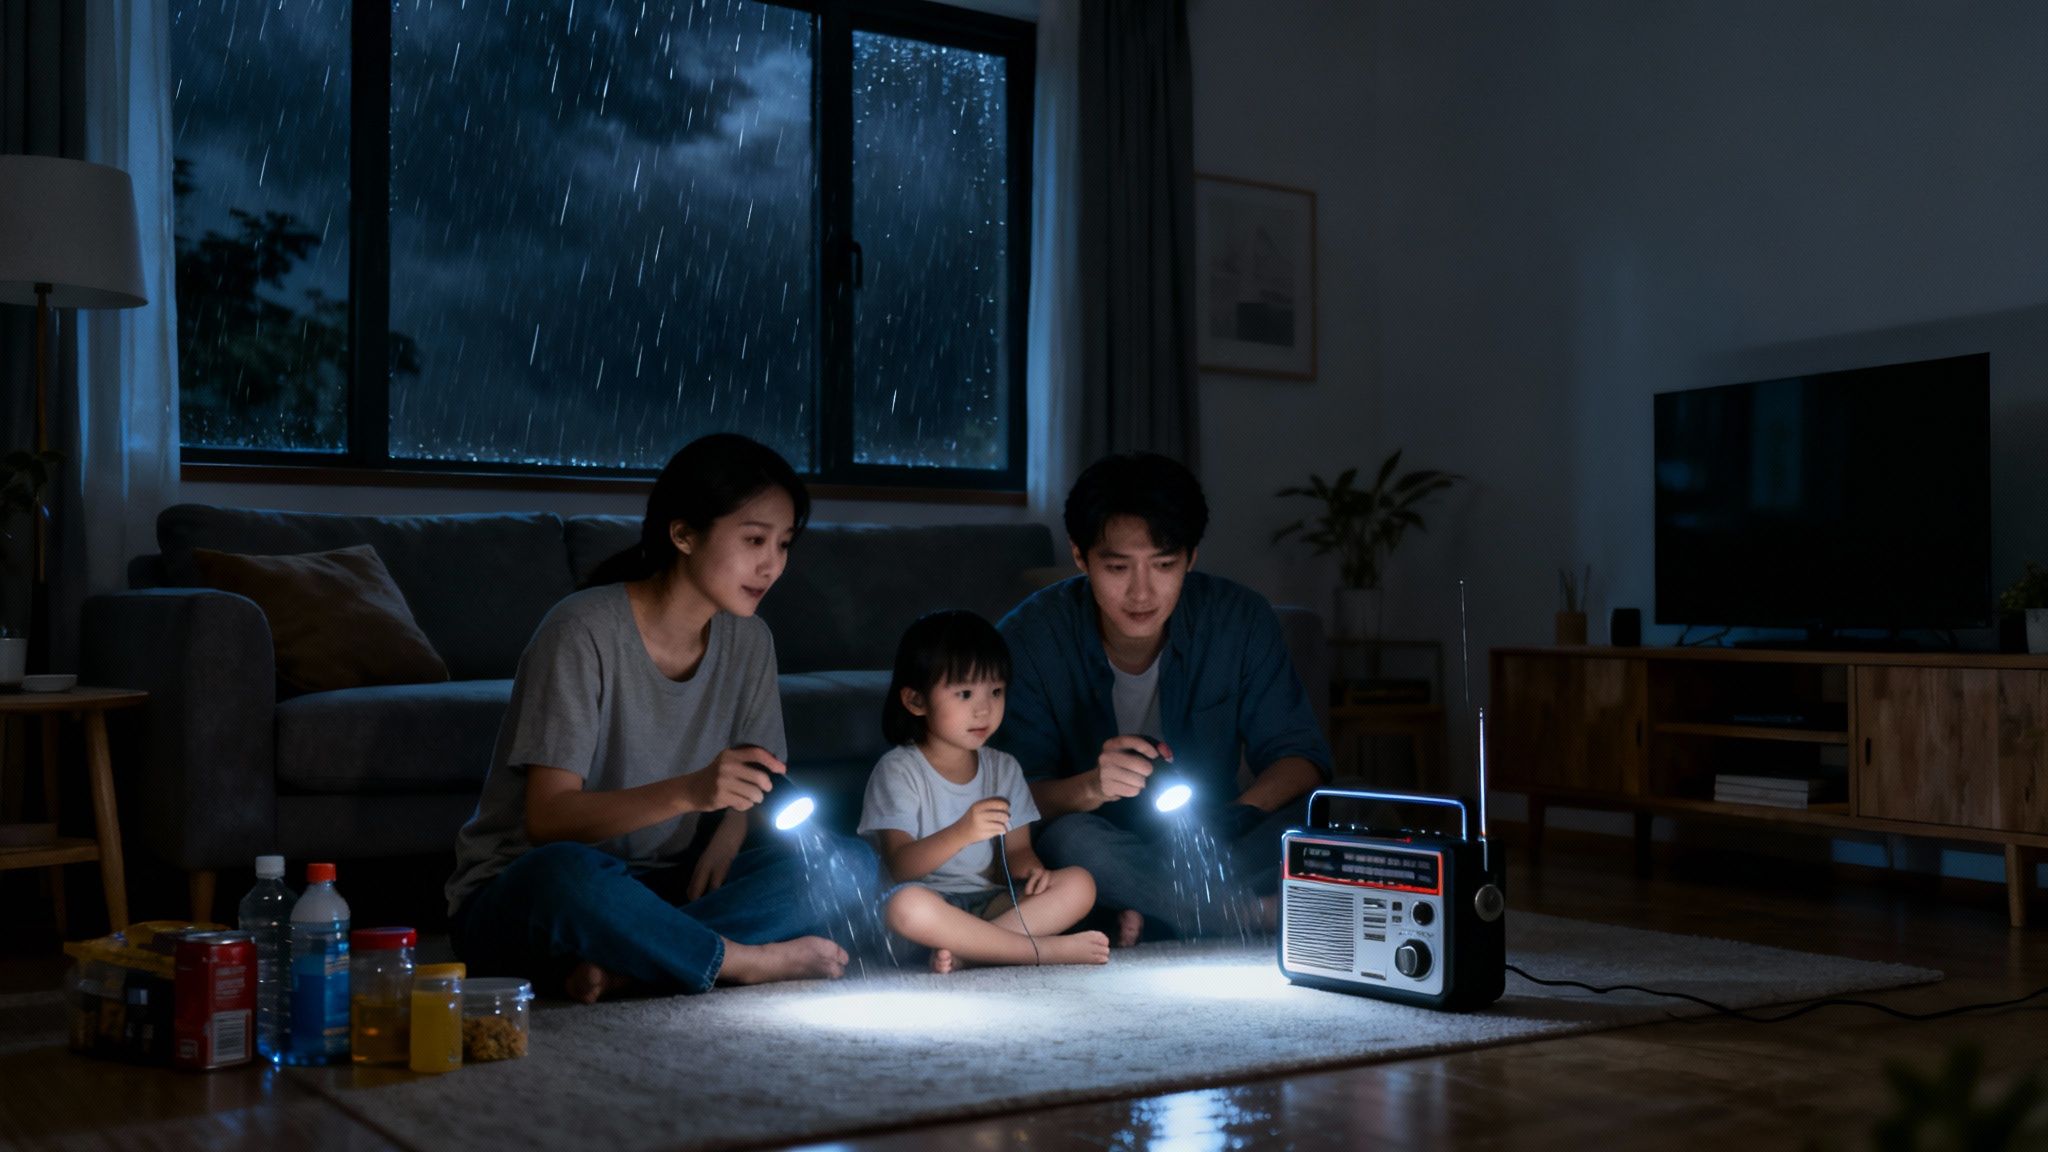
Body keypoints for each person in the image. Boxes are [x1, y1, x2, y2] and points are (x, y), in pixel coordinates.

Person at [445, 433, 875, 1002]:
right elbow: (548, 820)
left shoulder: (749, 640)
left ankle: (633, 966)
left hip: (660, 891)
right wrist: (691, 792)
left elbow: (758, 777)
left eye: (784, 543)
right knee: (565, 874)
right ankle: (737, 960)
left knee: (853, 863)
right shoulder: (581, 631)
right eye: (753, 540)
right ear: (683, 534)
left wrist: (728, 834)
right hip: (530, 890)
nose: (771, 565)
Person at [995, 451, 1333, 943]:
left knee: (1338, 817)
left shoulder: (1238, 620)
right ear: (1079, 557)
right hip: (1099, 838)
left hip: (1215, 833)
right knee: (1074, 844)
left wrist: (1239, 812)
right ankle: (1239, 914)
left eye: (1164, 565)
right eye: (1116, 567)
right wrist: (1092, 786)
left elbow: (1301, 756)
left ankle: (1154, 910)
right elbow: (1009, 798)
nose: (1141, 593)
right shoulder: (1029, 639)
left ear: (1191, 558)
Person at [859, 610, 1109, 973]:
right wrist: (962, 832)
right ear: (916, 701)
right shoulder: (898, 771)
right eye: (964, 693)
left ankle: (972, 952)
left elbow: (1019, 850)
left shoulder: (1003, 767)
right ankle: (1039, 952)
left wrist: (1033, 875)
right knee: (906, 906)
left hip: (990, 905)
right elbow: (900, 867)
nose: (984, 709)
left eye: (996, 691)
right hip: (929, 911)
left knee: (1078, 884)